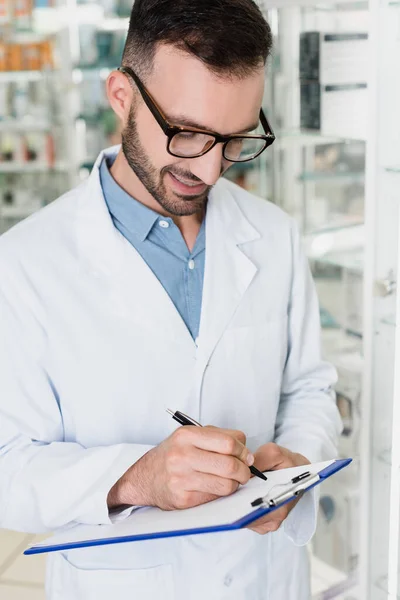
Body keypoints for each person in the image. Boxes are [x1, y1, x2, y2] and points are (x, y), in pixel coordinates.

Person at [0, 1, 342, 599]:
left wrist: (298, 462)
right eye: (186, 133)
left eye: (234, 139)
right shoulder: (25, 264)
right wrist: (136, 478)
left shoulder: (276, 234)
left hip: (263, 578)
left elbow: (310, 387)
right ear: (120, 95)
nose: (209, 169)